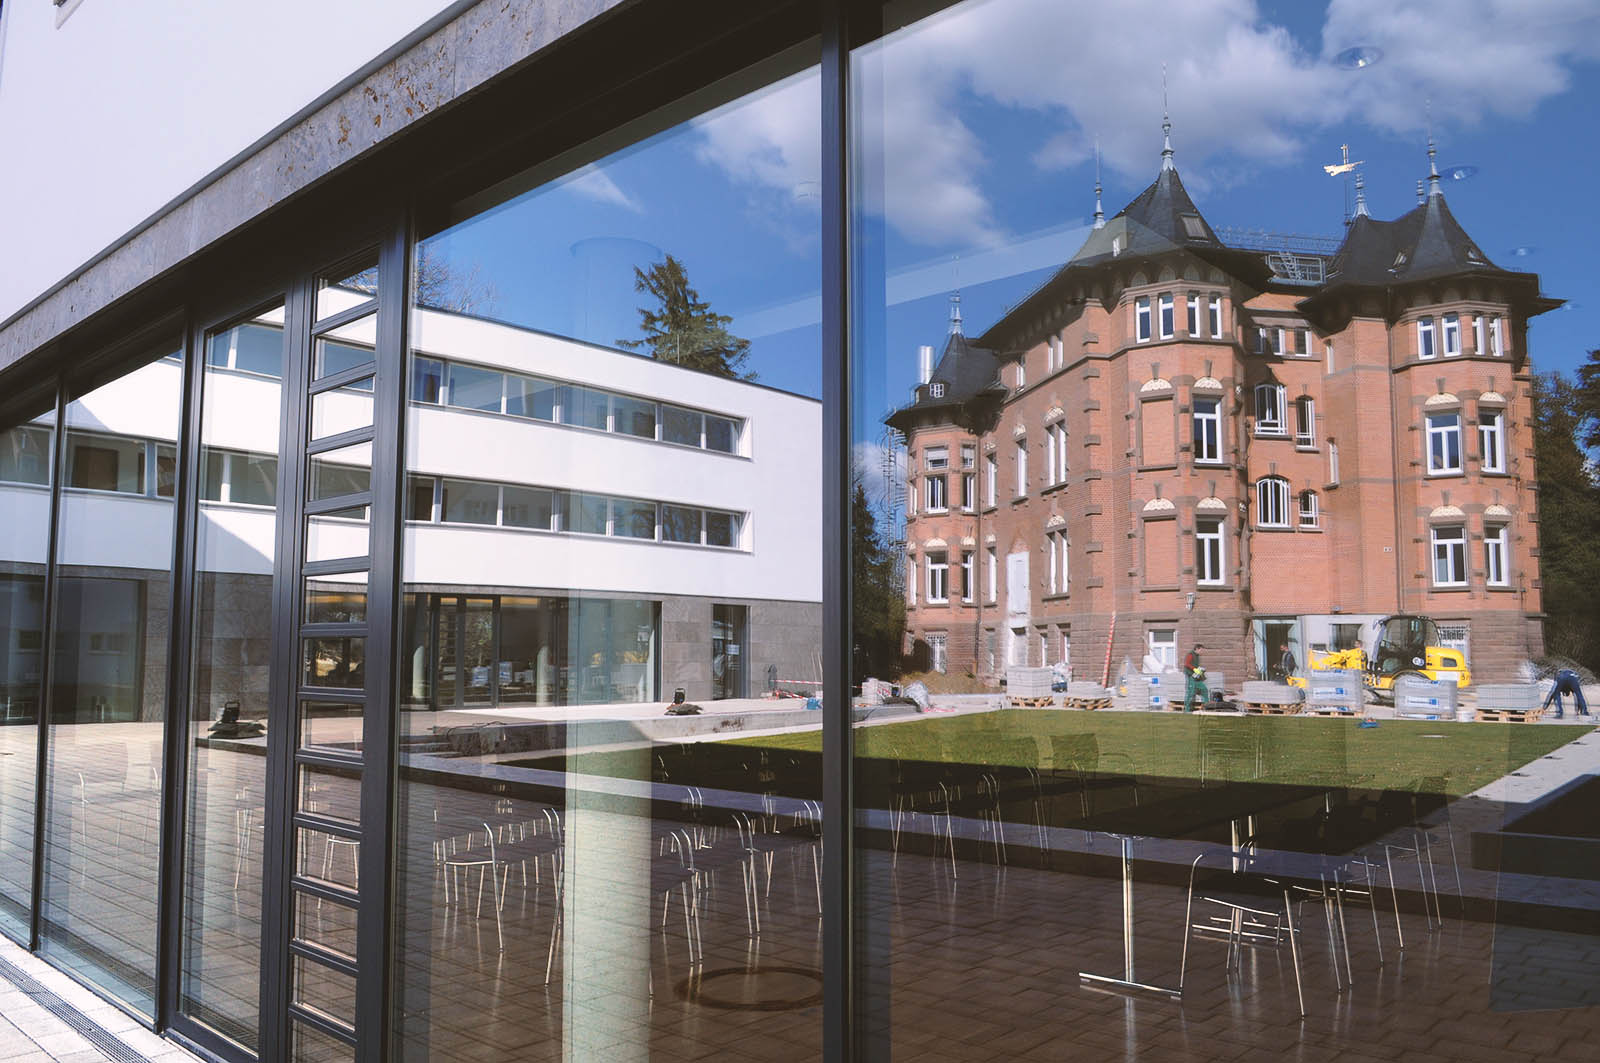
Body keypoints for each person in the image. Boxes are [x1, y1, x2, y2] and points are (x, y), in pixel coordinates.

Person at [1183, 643, 1207, 712]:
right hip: (1191, 676)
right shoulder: (1190, 654)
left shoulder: (1197, 656)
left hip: (1196, 676)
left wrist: (1200, 671)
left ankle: (1207, 707)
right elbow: (1187, 664)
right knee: (1191, 692)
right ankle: (1187, 709)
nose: (1202, 652)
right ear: (1197, 649)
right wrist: (1194, 669)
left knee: (1204, 690)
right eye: (1201, 650)